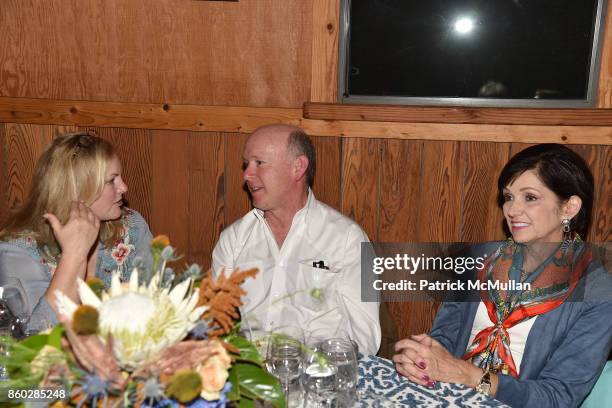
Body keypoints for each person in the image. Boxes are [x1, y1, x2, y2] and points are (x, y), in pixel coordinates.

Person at [393, 144, 612, 407]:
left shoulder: (598, 292)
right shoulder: (478, 259)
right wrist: (423, 357)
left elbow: (558, 397)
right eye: (508, 197)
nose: (511, 210)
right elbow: (446, 337)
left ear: (569, 207)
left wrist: (470, 377)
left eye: (529, 197)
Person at [212, 124, 381, 355]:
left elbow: (365, 341)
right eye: (246, 164)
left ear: (298, 167)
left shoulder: (348, 240)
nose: (247, 174)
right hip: (251, 379)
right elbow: (216, 328)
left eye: (259, 163)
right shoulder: (233, 240)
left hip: (320, 381)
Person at [0, 132, 153, 324]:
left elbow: (157, 307)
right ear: (77, 189)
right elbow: (35, 339)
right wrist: (74, 255)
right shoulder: (17, 250)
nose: (124, 187)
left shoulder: (131, 228)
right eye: (111, 180)